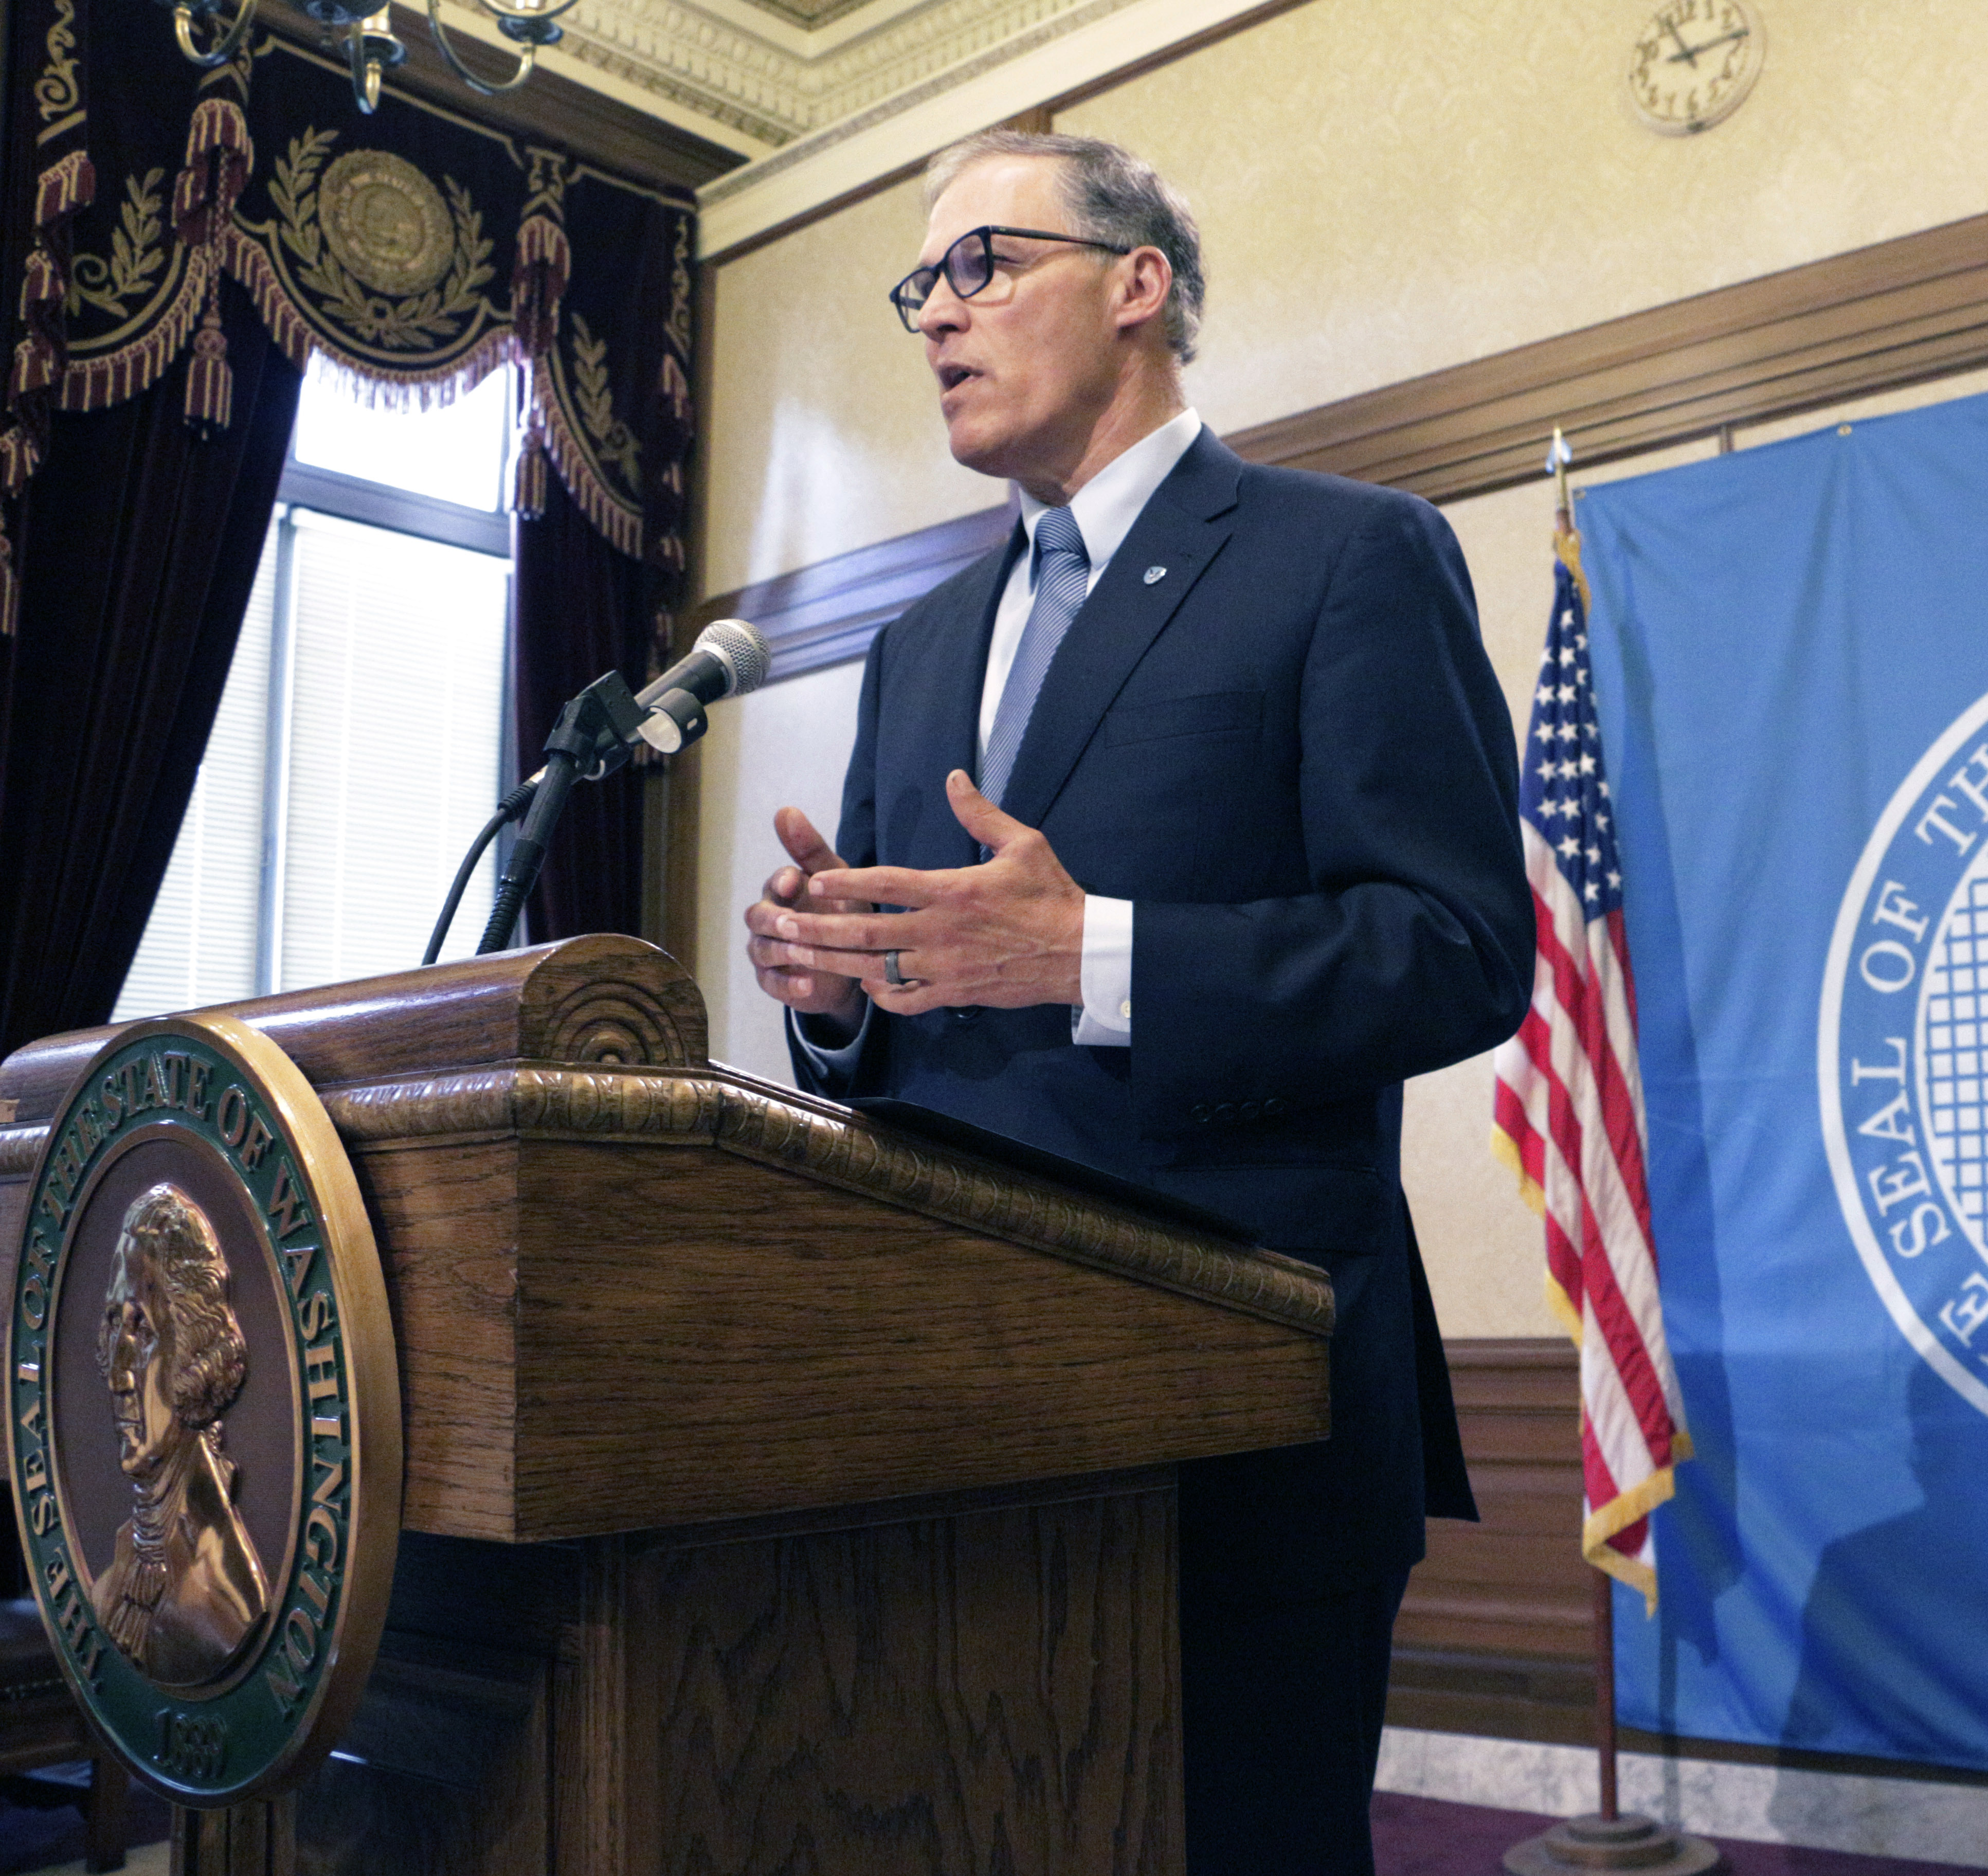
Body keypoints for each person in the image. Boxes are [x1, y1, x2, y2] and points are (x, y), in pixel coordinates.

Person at [742, 130, 1533, 1874]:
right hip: (948, 1413)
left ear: (1137, 283)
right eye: (918, 290)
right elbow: (918, 992)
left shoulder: (1348, 556)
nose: (937, 317)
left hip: (1241, 1396)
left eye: (983, 267)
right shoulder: (920, 642)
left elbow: (1461, 945)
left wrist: (1091, 953)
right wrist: (834, 985)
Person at [91, 1182, 270, 1687]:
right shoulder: (115, 1578)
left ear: (193, 1352)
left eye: (143, 1331)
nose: (119, 1373)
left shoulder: (224, 1599)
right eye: (114, 1325)